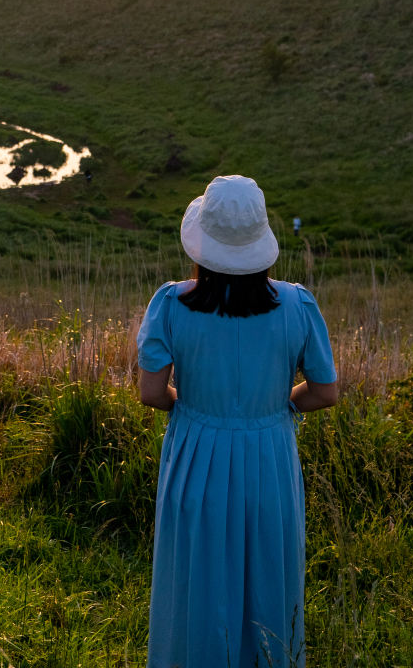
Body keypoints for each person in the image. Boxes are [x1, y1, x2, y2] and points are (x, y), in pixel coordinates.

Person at [137, 174, 337, 668]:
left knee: (195, 578)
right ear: (260, 242)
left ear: (202, 243)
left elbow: (151, 392)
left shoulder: (171, 304)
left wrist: (191, 405)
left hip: (195, 451)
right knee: (270, 574)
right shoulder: (296, 304)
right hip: (269, 454)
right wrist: (278, 405)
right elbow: (325, 392)